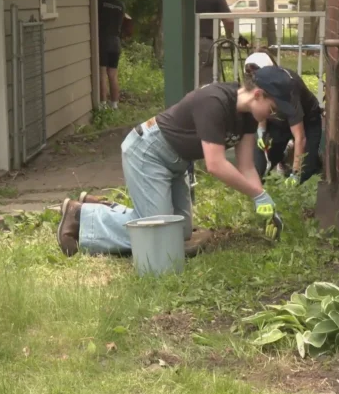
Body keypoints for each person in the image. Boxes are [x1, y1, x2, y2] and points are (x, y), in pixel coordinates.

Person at [56, 67, 297, 256]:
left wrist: (264, 200)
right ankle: (80, 217)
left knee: (179, 232)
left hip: (177, 162)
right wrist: (256, 194)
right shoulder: (214, 101)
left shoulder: (248, 117)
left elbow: (245, 166)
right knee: (159, 233)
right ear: (258, 94)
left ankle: (103, 208)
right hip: (148, 153)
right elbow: (215, 164)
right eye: (273, 108)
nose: (272, 115)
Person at [244, 51, 323, 185]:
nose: (254, 77)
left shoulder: (287, 88)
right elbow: (259, 107)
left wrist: (296, 174)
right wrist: (261, 131)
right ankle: (284, 156)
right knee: (261, 166)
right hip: (279, 123)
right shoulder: (258, 84)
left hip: (307, 122)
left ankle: (313, 162)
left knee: (305, 174)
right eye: (250, 75)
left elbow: (300, 137)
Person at [196, 0, 234, 86]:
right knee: (208, 83)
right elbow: (229, 21)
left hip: (184, 44)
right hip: (206, 44)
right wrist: (230, 37)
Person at [98, 0, 125, 110]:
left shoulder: (101, 2)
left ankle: (102, 104)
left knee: (102, 72)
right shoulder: (120, 5)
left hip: (103, 41)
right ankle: (114, 104)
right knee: (113, 75)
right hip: (116, 42)